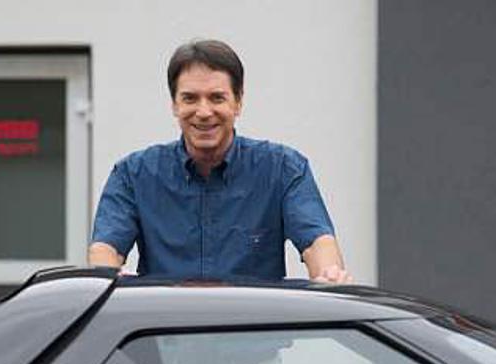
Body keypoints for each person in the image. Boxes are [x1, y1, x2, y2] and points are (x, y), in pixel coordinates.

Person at [89, 39, 351, 283]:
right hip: (166, 319)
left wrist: (329, 276)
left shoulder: (283, 169)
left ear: (238, 102)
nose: (203, 112)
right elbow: (105, 250)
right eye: (190, 98)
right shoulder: (133, 175)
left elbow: (317, 243)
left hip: (254, 319)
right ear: (174, 105)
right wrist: (106, 278)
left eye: (217, 98)